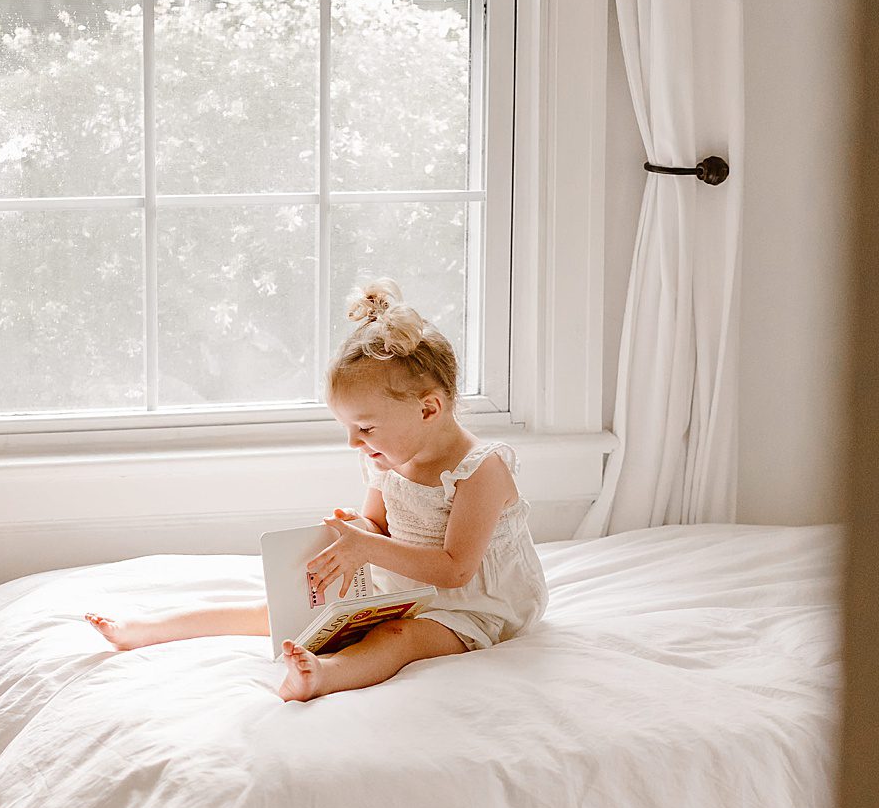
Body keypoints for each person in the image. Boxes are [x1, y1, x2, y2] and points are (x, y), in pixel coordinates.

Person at [84, 279, 549, 702]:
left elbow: (455, 571)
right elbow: (379, 525)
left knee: (399, 638)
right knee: (283, 611)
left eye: (365, 427)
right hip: (407, 588)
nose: (354, 442)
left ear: (429, 409)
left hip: (474, 606)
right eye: (349, 427)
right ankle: (148, 629)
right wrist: (357, 529)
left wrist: (368, 546)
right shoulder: (386, 458)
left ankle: (324, 676)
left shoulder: (479, 470)